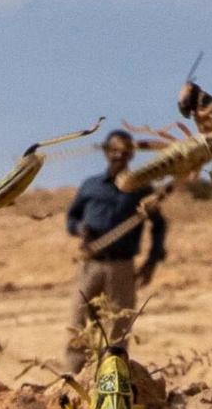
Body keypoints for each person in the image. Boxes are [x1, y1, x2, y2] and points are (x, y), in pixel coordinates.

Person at [64, 130, 168, 366]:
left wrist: (151, 261)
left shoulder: (141, 188)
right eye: (115, 151)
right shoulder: (90, 186)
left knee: (118, 330)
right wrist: (80, 229)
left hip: (122, 267)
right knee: (79, 324)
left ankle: (112, 379)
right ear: (106, 152)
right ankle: (74, 378)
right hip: (90, 264)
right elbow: (71, 219)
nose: (119, 156)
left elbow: (159, 225)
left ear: (131, 154)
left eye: (125, 151)